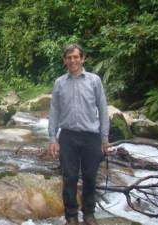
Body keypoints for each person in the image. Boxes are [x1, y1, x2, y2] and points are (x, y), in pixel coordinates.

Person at [48, 44, 110, 225]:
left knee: (90, 176)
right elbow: (54, 111)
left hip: (92, 136)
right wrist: (52, 138)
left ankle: (89, 213)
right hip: (67, 137)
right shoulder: (59, 83)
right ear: (64, 61)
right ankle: (71, 216)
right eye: (69, 57)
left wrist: (104, 138)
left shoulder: (94, 80)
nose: (72, 60)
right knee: (70, 178)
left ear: (82, 59)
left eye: (76, 57)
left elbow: (103, 109)